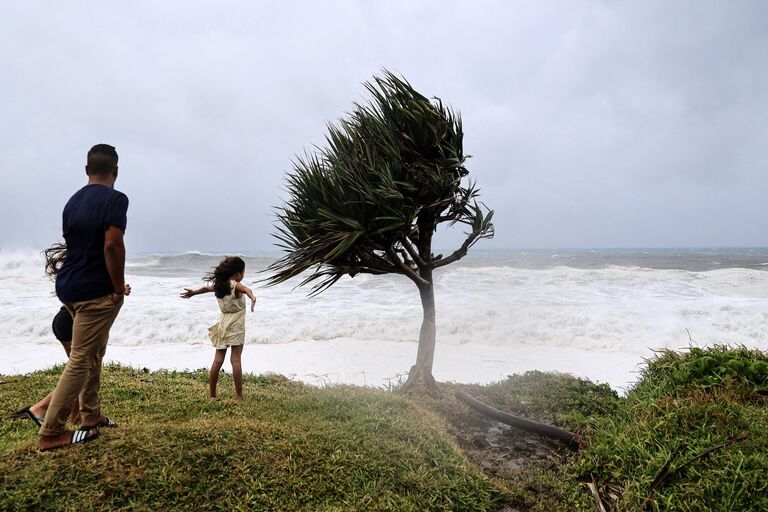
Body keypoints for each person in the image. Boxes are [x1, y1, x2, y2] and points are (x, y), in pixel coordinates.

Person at [38, 144, 131, 452]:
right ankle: (51, 432)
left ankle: (90, 416)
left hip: (69, 287)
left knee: (93, 351)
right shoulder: (116, 199)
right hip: (95, 291)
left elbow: (78, 247)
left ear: (86, 170)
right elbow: (112, 246)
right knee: (81, 359)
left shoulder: (72, 202)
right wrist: (117, 288)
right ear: (115, 172)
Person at [180, 256, 256, 400]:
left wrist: (193, 292)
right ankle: (239, 396)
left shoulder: (220, 285)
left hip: (223, 323)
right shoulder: (235, 285)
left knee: (218, 360)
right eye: (243, 272)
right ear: (238, 273)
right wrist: (252, 298)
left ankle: (213, 395)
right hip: (236, 325)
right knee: (236, 360)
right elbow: (247, 289)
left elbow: (204, 288)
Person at [8, 306, 82, 426]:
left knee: (81, 371)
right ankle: (40, 409)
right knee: (81, 372)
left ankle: (76, 416)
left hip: (64, 318)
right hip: (71, 322)